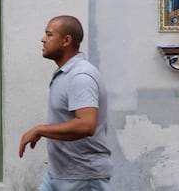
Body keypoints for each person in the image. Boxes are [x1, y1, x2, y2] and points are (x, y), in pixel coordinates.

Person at [19, 15, 112, 191]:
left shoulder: (81, 76)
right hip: (58, 174)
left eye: (49, 34)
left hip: (82, 178)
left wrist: (40, 130)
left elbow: (86, 125)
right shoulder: (65, 73)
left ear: (66, 40)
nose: (43, 39)